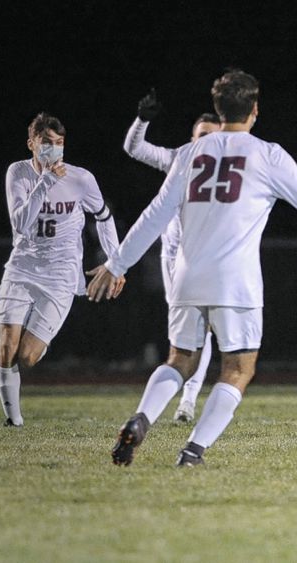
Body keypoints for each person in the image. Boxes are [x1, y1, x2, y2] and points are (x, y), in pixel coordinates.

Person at [88, 69, 297, 467]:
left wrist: (116, 263)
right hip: (236, 284)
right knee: (239, 368)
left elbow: (155, 215)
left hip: (186, 278)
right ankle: (192, 451)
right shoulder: (267, 154)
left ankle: (141, 419)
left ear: (218, 108)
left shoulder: (191, 152)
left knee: (178, 360)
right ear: (255, 110)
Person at [0, 112, 124, 426]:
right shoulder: (18, 173)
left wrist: (115, 263)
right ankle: (14, 420)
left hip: (62, 273)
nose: (54, 148)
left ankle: (40, 340)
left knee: (28, 356)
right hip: (22, 268)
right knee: (6, 343)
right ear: (31, 144)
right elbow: (21, 224)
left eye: (59, 143)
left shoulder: (81, 179)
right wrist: (46, 180)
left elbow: (103, 217)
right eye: (46, 142)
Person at [124, 90, 222, 423]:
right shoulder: (180, 157)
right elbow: (134, 148)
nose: (208, 143)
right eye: (202, 136)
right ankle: (176, 400)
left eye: (214, 137)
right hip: (175, 258)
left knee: (205, 330)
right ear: (191, 139)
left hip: (210, 256)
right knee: (183, 336)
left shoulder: (232, 165)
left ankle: (188, 401)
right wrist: (142, 120)